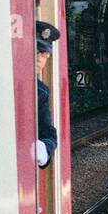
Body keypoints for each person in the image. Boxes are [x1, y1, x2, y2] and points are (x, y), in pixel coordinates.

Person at [34, 20, 60, 168]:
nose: (39, 58)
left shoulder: (41, 91)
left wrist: (44, 148)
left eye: (44, 54)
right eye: (36, 51)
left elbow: (49, 134)